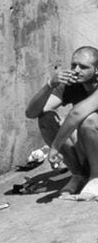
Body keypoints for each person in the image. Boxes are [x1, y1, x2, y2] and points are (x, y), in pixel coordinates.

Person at [23, 45, 98, 194]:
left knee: (88, 121)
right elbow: (32, 113)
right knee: (46, 118)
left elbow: (77, 114)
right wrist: (50, 85)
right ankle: (79, 175)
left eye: (83, 67)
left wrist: (55, 147)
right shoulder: (71, 85)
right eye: (73, 65)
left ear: (97, 70)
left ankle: (96, 177)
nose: (76, 70)